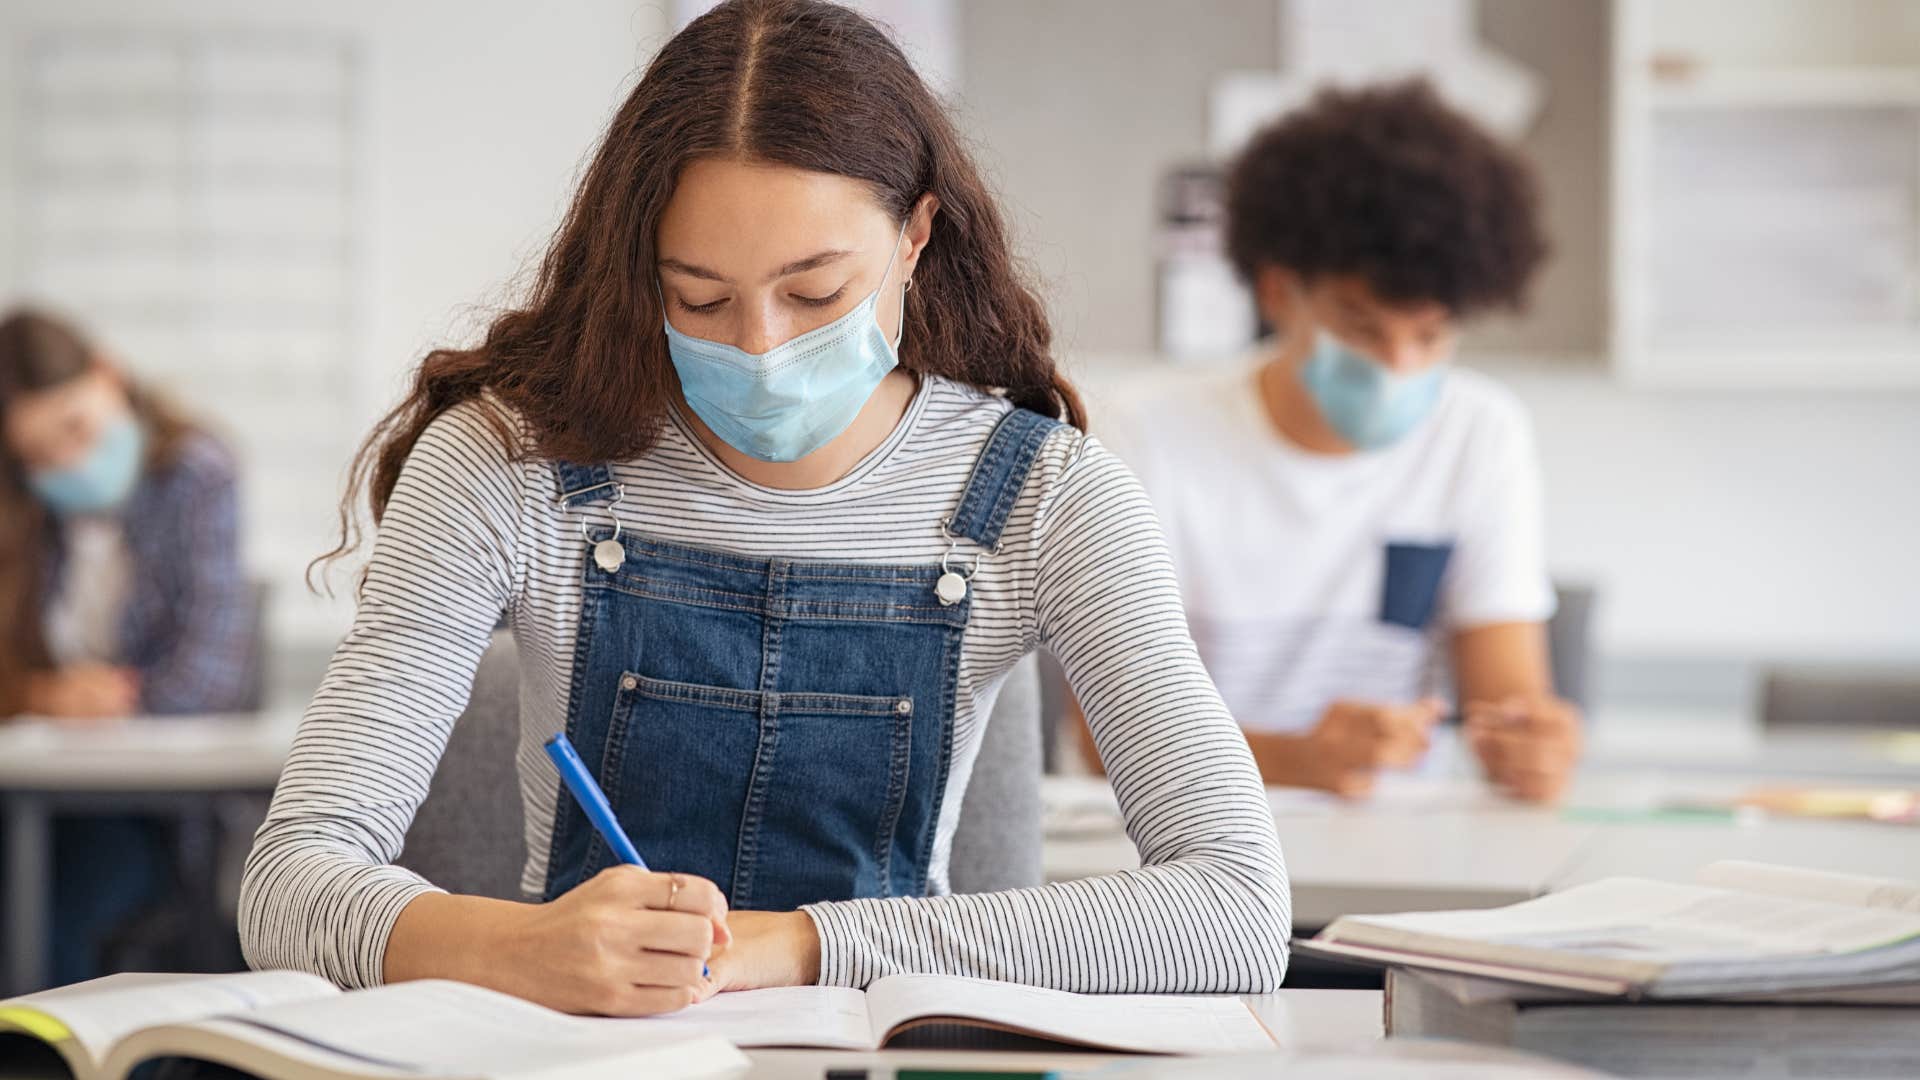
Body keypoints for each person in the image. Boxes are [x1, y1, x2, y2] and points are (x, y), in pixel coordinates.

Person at [239, 0, 1289, 1016]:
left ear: (917, 234)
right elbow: (289, 885)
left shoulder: (1050, 499)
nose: (760, 347)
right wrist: (513, 948)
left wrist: (803, 943)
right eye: (698, 298)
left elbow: (1235, 909)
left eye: (817, 294)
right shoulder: (506, 463)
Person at [1090, 81, 1581, 803]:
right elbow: (1103, 738)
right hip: (1185, 847)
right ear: (1279, 293)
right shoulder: (1144, 434)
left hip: (1396, 849)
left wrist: (1532, 747)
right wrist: (1296, 759)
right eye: (1361, 327)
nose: (1399, 366)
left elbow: (1506, 704)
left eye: (1430, 334)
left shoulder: (1480, 434)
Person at [0, 306, 256, 986]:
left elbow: (210, 677)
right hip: (33, 794)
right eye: (38, 457)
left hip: (147, 809)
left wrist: (114, 698)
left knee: (59, 913)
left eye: (75, 429)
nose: (66, 463)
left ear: (108, 376)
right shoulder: (24, 511)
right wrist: (43, 695)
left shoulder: (199, 476)